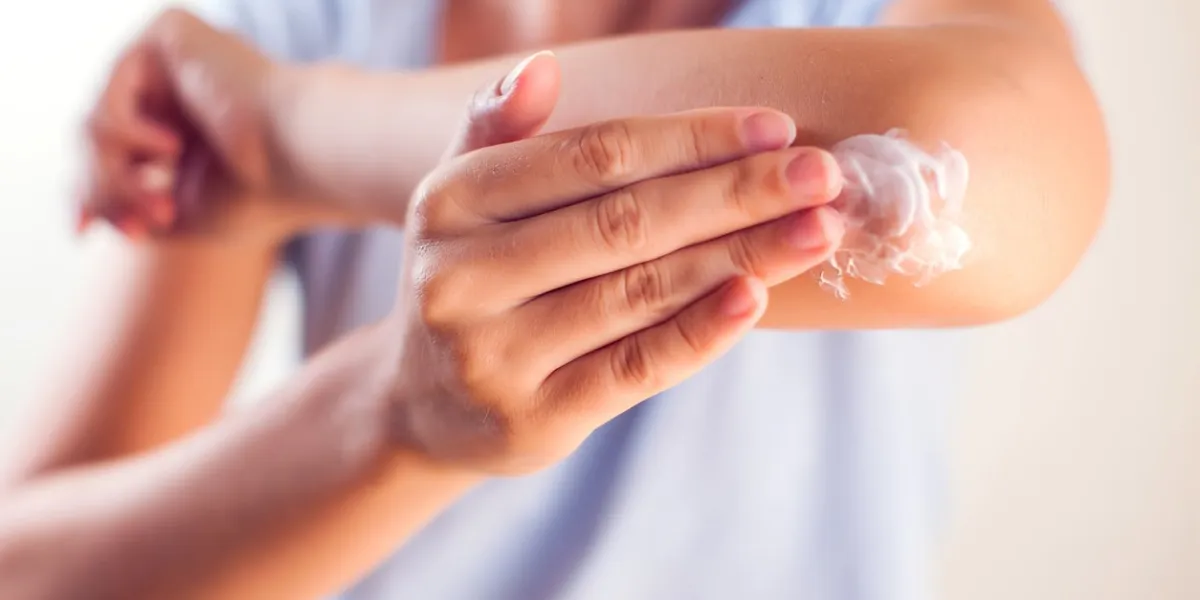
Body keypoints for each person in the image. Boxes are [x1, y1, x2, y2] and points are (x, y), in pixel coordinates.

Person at [0, 1, 1108, 599]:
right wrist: (395, 429)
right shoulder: (282, 33)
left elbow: (962, 162)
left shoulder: (251, 89)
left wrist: (295, 134)